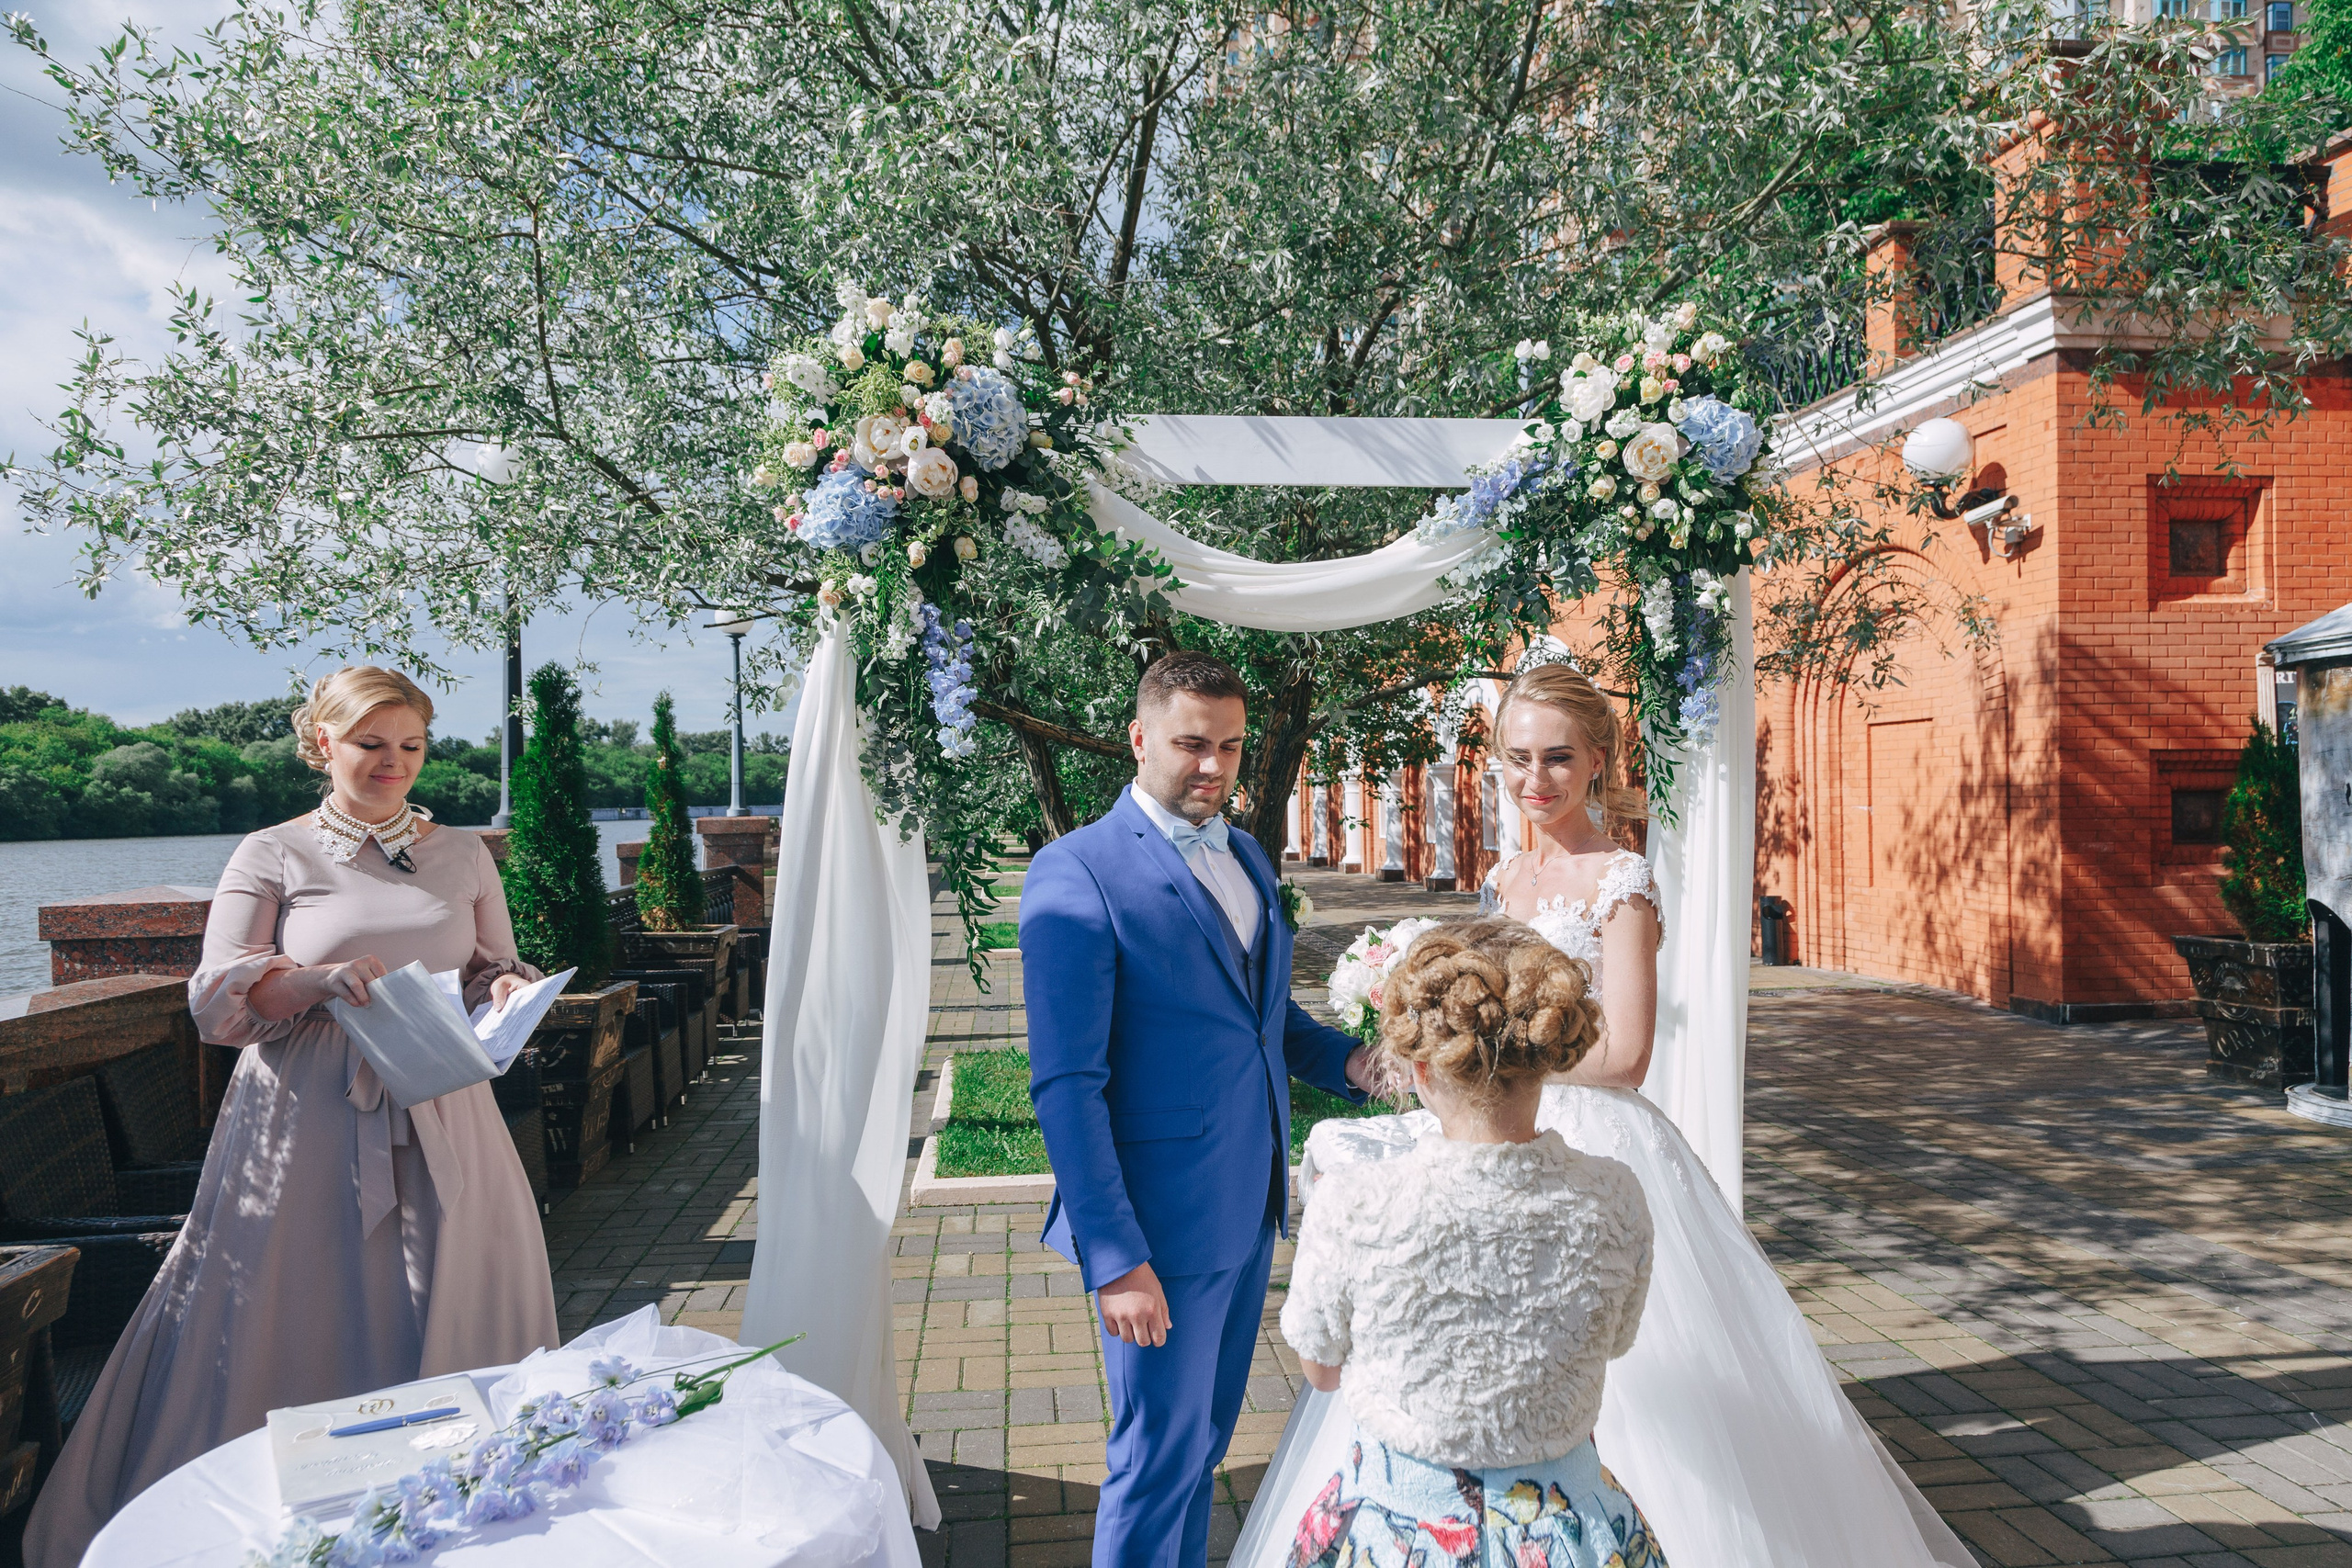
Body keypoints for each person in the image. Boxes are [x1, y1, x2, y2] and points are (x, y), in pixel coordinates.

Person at [1230, 662, 1976, 1568]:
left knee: (1632, 1378)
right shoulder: (1501, 877)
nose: (1532, 781)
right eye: (1514, 759)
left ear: (1596, 762)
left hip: (1593, 1127)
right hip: (1490, 1126)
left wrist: (1496, 1047)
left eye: (1554, 759)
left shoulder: (1621, 879)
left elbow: (1625, 1053)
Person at [26, 666, 560, 1568]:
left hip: (443, 1104)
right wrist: (315, 983)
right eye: (370, 745)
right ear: (321, 743)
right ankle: (276, 1514)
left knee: (452, 1295)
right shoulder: (271, 851)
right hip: (307, 1113)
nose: (393, 764)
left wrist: (505, 984)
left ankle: (461, 1508)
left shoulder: (463, 852)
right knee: (303, 1306)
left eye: (410, 747)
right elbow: (214, 998)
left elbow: (487, 967)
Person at [1022, 649, 1379, 1568]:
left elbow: (1268, 1022)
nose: (1213, 767)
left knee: (1199, 1452)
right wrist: (1116, 1258)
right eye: (1189, 744)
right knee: (1153, 1460)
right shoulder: (1076, 872)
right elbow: (1068, 1084)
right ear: (1138, 739)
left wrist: (1361, 1065)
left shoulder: (1249, 855)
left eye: (1228, 746)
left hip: (1248, 1208)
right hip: (1156, 1230)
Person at [1279, 918, 1663, 1565]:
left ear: (1420, 1069)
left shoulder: (1354, 1203)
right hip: (1568, 1531)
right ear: (1548, 1058)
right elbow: (1615, 1341)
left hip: (1397, 1533)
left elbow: (1320, 1370)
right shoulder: (1614, 1197)